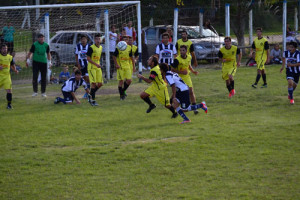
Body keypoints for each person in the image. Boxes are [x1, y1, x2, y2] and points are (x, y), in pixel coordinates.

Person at [171, 45, 199, 115]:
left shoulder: (189, 57)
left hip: (186, 77)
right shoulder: (177, 60)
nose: (181, 52)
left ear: (186, 51)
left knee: (191, 91)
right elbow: (172, 69)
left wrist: (193, 71)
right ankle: (171, 106)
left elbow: (188, 65)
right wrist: (181, 72)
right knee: (178, 94)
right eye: (180, 50)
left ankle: (194, 108)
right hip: (179, 78)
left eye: (183, 50)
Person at [26, 33, 51, 97]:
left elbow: (48, 54)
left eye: (42, 37)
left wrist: (49, 62)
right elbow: (30, 53)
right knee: (35, 77)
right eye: (40, 37)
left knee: (43, 78)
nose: (41, 38)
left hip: (44, 63)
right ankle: (35, 92)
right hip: (36, 63)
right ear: (38, 38)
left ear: (44, 38)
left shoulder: (46, 45)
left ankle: (43, 92)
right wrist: (28, 60)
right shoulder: (34, 45)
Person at [113, 36, 135, 100]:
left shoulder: (129, 47)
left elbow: (131, 58)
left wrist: (133, 67)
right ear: (121, 40)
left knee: (129, 80)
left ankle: (122, 91)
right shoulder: (118, 47)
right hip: (120, 67)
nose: (125, 40)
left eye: (126, 39)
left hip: (127, 66)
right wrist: (116, 64)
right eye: (124, 39)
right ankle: (121, 96)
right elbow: (114, 56)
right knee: (121, 81)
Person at [86, 33, 103, 106]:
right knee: (93, 84)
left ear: (100, 40)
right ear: (94, 40)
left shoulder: (101, 47)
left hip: (98, 67)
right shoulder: (91, 48)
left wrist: (98, 64)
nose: (98, 40)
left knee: (100, 84)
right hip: (92, 68)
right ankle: (93, 100)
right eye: (96, 39)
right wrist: (96, 64)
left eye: (99, 39)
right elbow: (88, 58)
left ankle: (89, 95)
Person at [0, 44, 18, 109]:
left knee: (9, 90)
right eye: (3, 48)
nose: (5, 50)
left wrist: (15, 70)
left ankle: (9, 105)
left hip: (7, 76)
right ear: (1, 49)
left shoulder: (10, 57)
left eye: (6, 48)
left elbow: (12, 65)